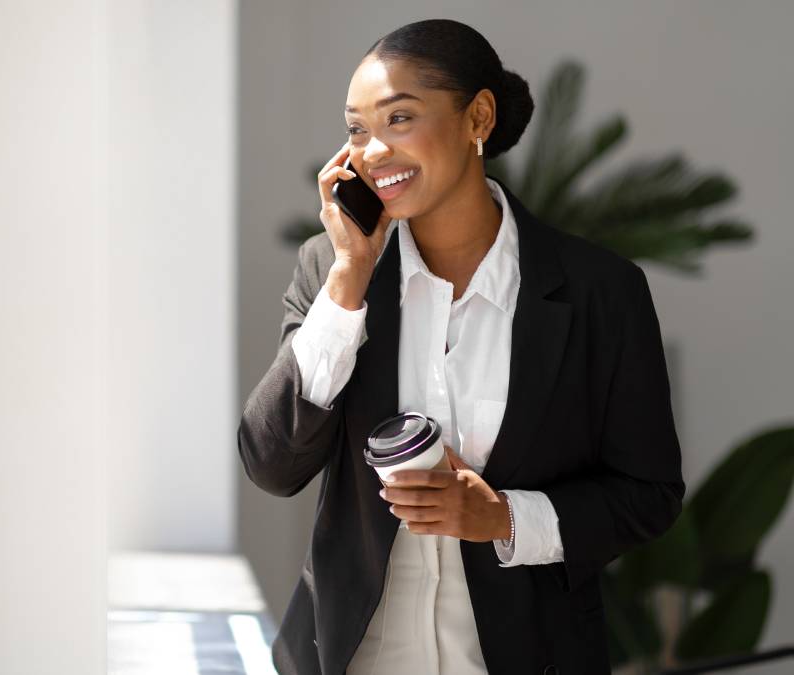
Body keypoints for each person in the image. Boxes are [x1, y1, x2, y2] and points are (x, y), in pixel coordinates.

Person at [237, 18, 684, 675]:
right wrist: (346, 285)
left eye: (399, 118)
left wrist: (503, 517)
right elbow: (270, 462)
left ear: (478, 118)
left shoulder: (600, 292)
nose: (373, 150)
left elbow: (649, 495)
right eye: (357, 129)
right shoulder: (329, 270)